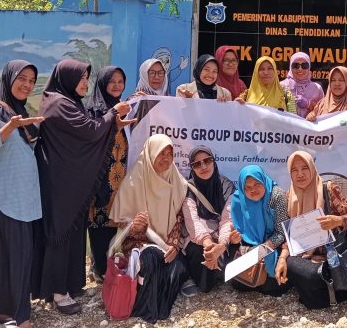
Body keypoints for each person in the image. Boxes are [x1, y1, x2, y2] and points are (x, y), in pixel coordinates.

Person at [34, 59, 133, 315]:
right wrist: (113, 115)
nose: (84, 84)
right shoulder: (58, 103)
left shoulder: (67, 101)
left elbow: (87, 133)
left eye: (86, 79)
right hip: (61, 184)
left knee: (72, 232)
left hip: (70, 181)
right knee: (61, 232)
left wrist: (113, 123)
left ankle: (68, 284)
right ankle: (58, 292)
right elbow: (89, 131)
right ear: (66, 78)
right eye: (80, 78)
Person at [0, 60, 44, 327]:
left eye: (31, 81)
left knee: (20, 255)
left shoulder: (21, 112)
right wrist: (8, 128)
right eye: (22, 78)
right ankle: (1, 314)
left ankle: (17, 311)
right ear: (8, 78)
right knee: (0, 258)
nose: (27, 85)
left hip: (20, 199)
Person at [110, 134, 189, 323]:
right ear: (151, 154)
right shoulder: (134, 180)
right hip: (138, 243)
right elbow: (120, 222)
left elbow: (179, 218)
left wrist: (174, 245)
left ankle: (160, 308)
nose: (166, 159)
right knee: (151, 259)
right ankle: (145, 309)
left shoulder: (176, 180)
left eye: (170, 154)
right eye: (161, 153)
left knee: (178, 268)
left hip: (166, 242)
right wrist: (136, 226)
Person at [276, 151, 347, 308]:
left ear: (312, 168)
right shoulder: (289, 196)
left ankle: (328, 291)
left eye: (304, 168)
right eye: (294, 170)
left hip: (332, 256)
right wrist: (281, 259)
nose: (300, 174)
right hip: (306, 256)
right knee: (289, 263)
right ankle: (325, 291)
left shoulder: (328, 188)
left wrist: (338, 220)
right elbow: (290, 235)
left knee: (308, 274)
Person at [85, 66, 129, 283]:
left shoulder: (127, 108)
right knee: (100, 222)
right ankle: (99, 266)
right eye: (112, 81)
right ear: (102, 83)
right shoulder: (93, 110)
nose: (116, 86)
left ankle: (109, 265)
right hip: (102, 176)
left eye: (120, 81)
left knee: (116, 220)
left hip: (121, 176)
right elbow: (91, 140)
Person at [182, 145, 236, 295]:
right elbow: (192, 221)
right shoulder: (189, 188)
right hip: (200, 238)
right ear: (192, 168)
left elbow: (227, 219)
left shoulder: (226, 185)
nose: (203, 166)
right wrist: (208, 246)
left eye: (207, 160)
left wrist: (221, 245)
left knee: (236, 242)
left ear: (214, 161)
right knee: (197, 253)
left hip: (221, 236)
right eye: (197, 164)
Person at [230, 165, 290, 296]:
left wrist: (261, 251)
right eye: (248, 187)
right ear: (242, 188)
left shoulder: (276, 195)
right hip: (250, 245)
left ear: (263, 180)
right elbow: (240, 232)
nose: (253, 190)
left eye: (257, 184)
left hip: (274, 244)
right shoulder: (238, 199)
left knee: (275, 287)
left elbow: (282, 232)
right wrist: (236, 239)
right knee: (238, 283)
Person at [279, 52, 323, 118]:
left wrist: (308, 104)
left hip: (309, 127)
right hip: (287, 127)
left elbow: (323, 110)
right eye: (295, 65)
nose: (300, 69)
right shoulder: (281, 86)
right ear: (290, 67)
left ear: (309, 68)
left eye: (304, 66)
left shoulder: (317, 88)